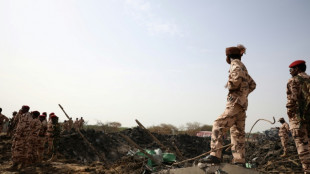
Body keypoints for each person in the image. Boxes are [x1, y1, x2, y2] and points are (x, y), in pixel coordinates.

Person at [203, 45, 256, 165]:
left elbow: (235, 80)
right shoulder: (244, 67)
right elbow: (253, 84)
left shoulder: (235, 64)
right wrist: (244, 94)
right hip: (242, 105)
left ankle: (215, 155)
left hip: (235, 104)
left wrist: (231, 85)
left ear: (228, 56)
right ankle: (239, 160)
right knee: (237, 132)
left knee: (218, 124)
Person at [286, 60, 310, 173]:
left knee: (303, 147)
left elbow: (292, 100)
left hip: (298, 119)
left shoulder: (293, 81)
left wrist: (290, 114)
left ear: (297, 69)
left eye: (291, 70)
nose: (290, 72)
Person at [11, 105, 32, 169]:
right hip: (24, 135)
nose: (21, 109)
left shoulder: (25, 116)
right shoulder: (27, 115)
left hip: (21, 136)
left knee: (17, 149)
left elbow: (21, 127)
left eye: (22, 108)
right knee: (24, 150)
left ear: (26, 109)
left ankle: (15, 165)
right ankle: (23, 164)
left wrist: (17, 135)